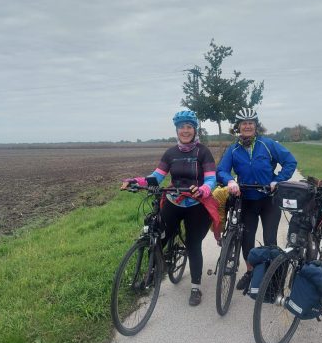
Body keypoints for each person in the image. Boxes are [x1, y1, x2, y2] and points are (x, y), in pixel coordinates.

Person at [121, 110, 218, 306]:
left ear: (194, 130)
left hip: (197, 203)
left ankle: (195, 287)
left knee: (192, 244)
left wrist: (203, 190)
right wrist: (135, 181)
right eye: (181, 127)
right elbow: (156, 176)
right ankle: (154, 271)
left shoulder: (203, 152)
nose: (185, 130)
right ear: (177, 130)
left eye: (189, 127)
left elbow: (211, 179)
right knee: (159, 236)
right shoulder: (171, 153)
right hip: (174, 201)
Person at [216, 108, 297, 291]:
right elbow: (221, 170)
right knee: (247, 239)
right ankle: (250, 272)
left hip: (269, 199)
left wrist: (277, 180)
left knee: (270, 239)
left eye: (250, 123)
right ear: (238, 127)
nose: (247, 126)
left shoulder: (267, 144)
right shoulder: (233, 149)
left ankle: (271, 276)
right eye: (243, 123)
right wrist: (230, 181)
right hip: (246, 199)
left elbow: (290, 161)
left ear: (256, 125)